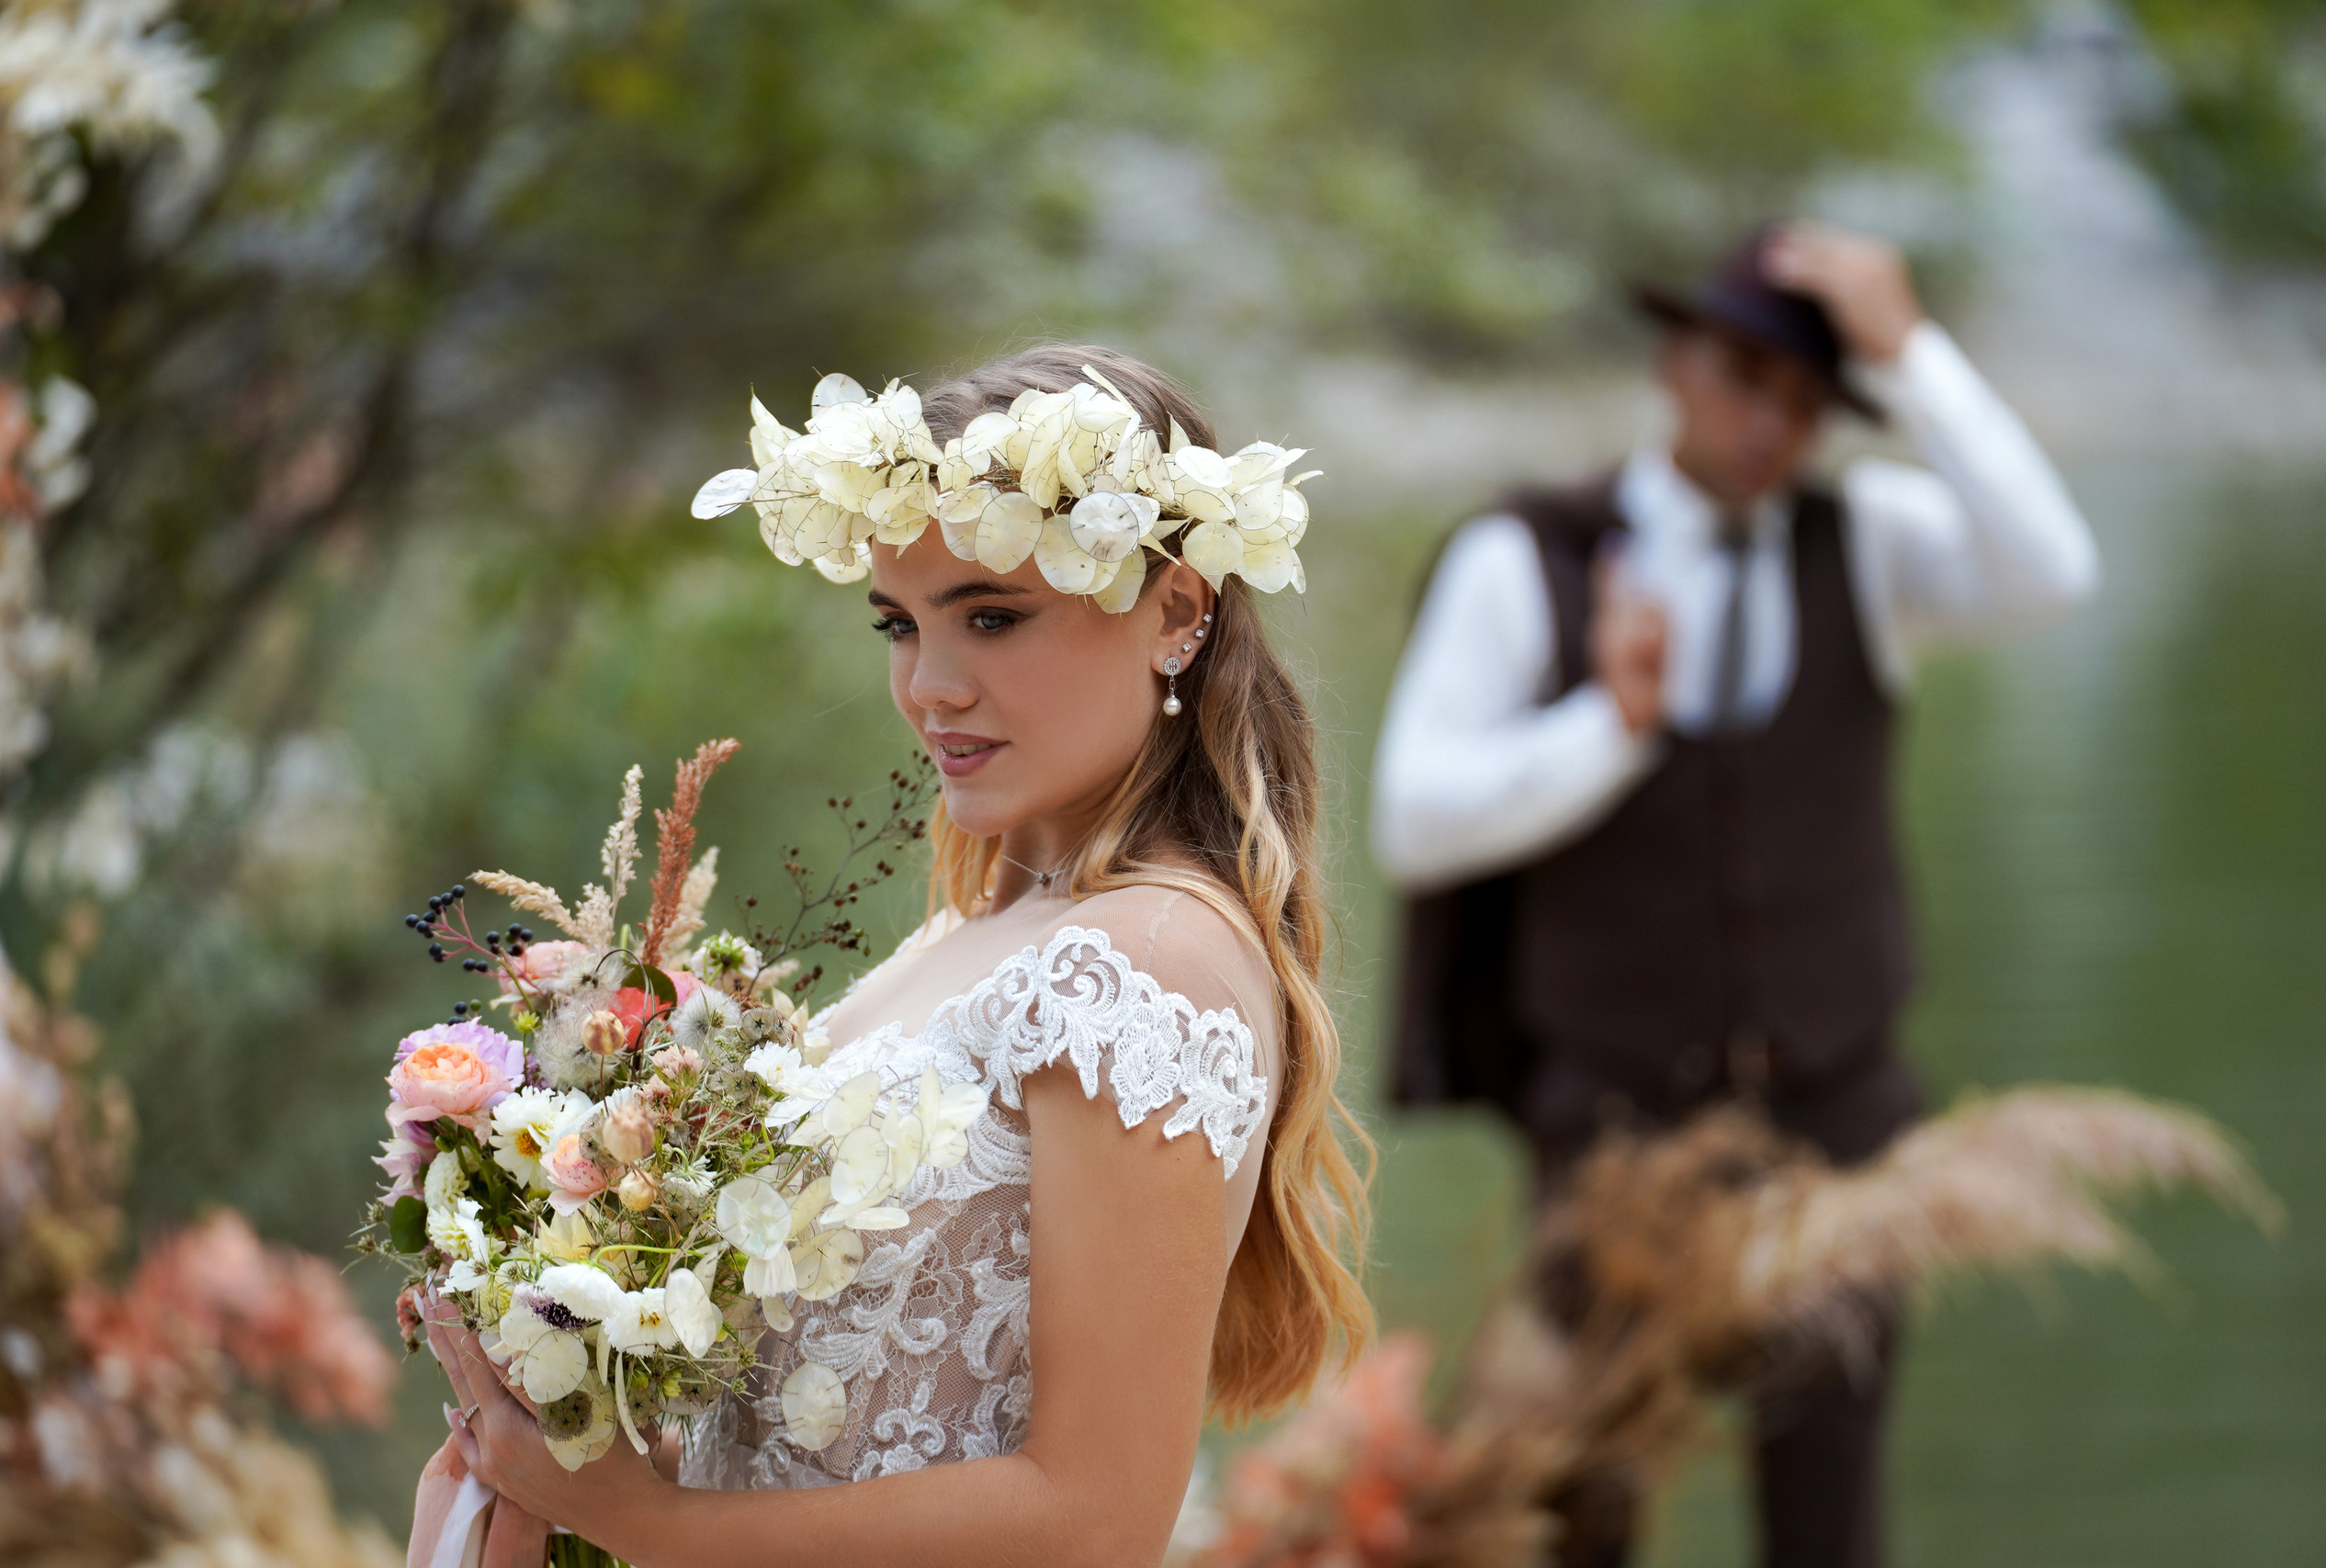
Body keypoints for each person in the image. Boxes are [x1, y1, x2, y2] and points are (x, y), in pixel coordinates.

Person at [418, 345, 1372, 1567]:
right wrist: (579, 1357)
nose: (930, 685)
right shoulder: (974, 933)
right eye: (899, 623)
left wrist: (651, 1525)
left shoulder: (1146, 961)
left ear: (1178, 612)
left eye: (991, 616)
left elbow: (1096, 1518)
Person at [1373, 223, 2099, 1568]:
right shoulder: (1527, 554)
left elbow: (2055, 573)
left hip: (1838, 1124)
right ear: (1675, 364)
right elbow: (1414, 824)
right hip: (1611, 1143)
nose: (1774, 426)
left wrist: (1911, 352)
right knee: (1573, 1509)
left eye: (1811, 401)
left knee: (1828, 1524)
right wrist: (1611, 727)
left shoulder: (1866, 542)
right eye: (1746, 380)